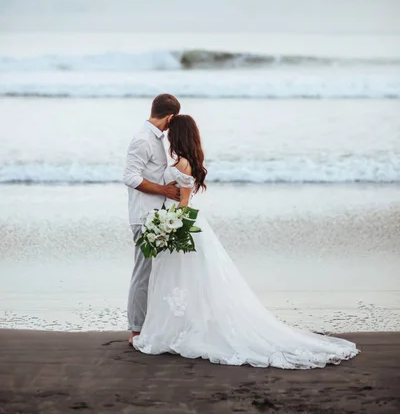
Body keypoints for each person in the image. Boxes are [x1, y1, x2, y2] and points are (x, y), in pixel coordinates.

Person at [133, 114, 359, 369]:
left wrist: (170, 227)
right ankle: (180, 327)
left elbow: (183, 203)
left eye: (172, 132)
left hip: (180, 224)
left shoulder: (182, 163)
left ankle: (179, 331)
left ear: (178, 135)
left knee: (183, 279)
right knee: (186, 281)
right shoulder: (186, 161)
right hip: (181, 224)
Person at [123, 93, 181, 347]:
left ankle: (151, 324)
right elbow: (131, 177)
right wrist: (165, 191)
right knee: (143, 273)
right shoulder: (143, 140)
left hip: (155, 217)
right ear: (170, 117)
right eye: (173, 119)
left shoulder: (155, 138)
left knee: (156, 273)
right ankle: (136, 329)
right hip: (143, 217)